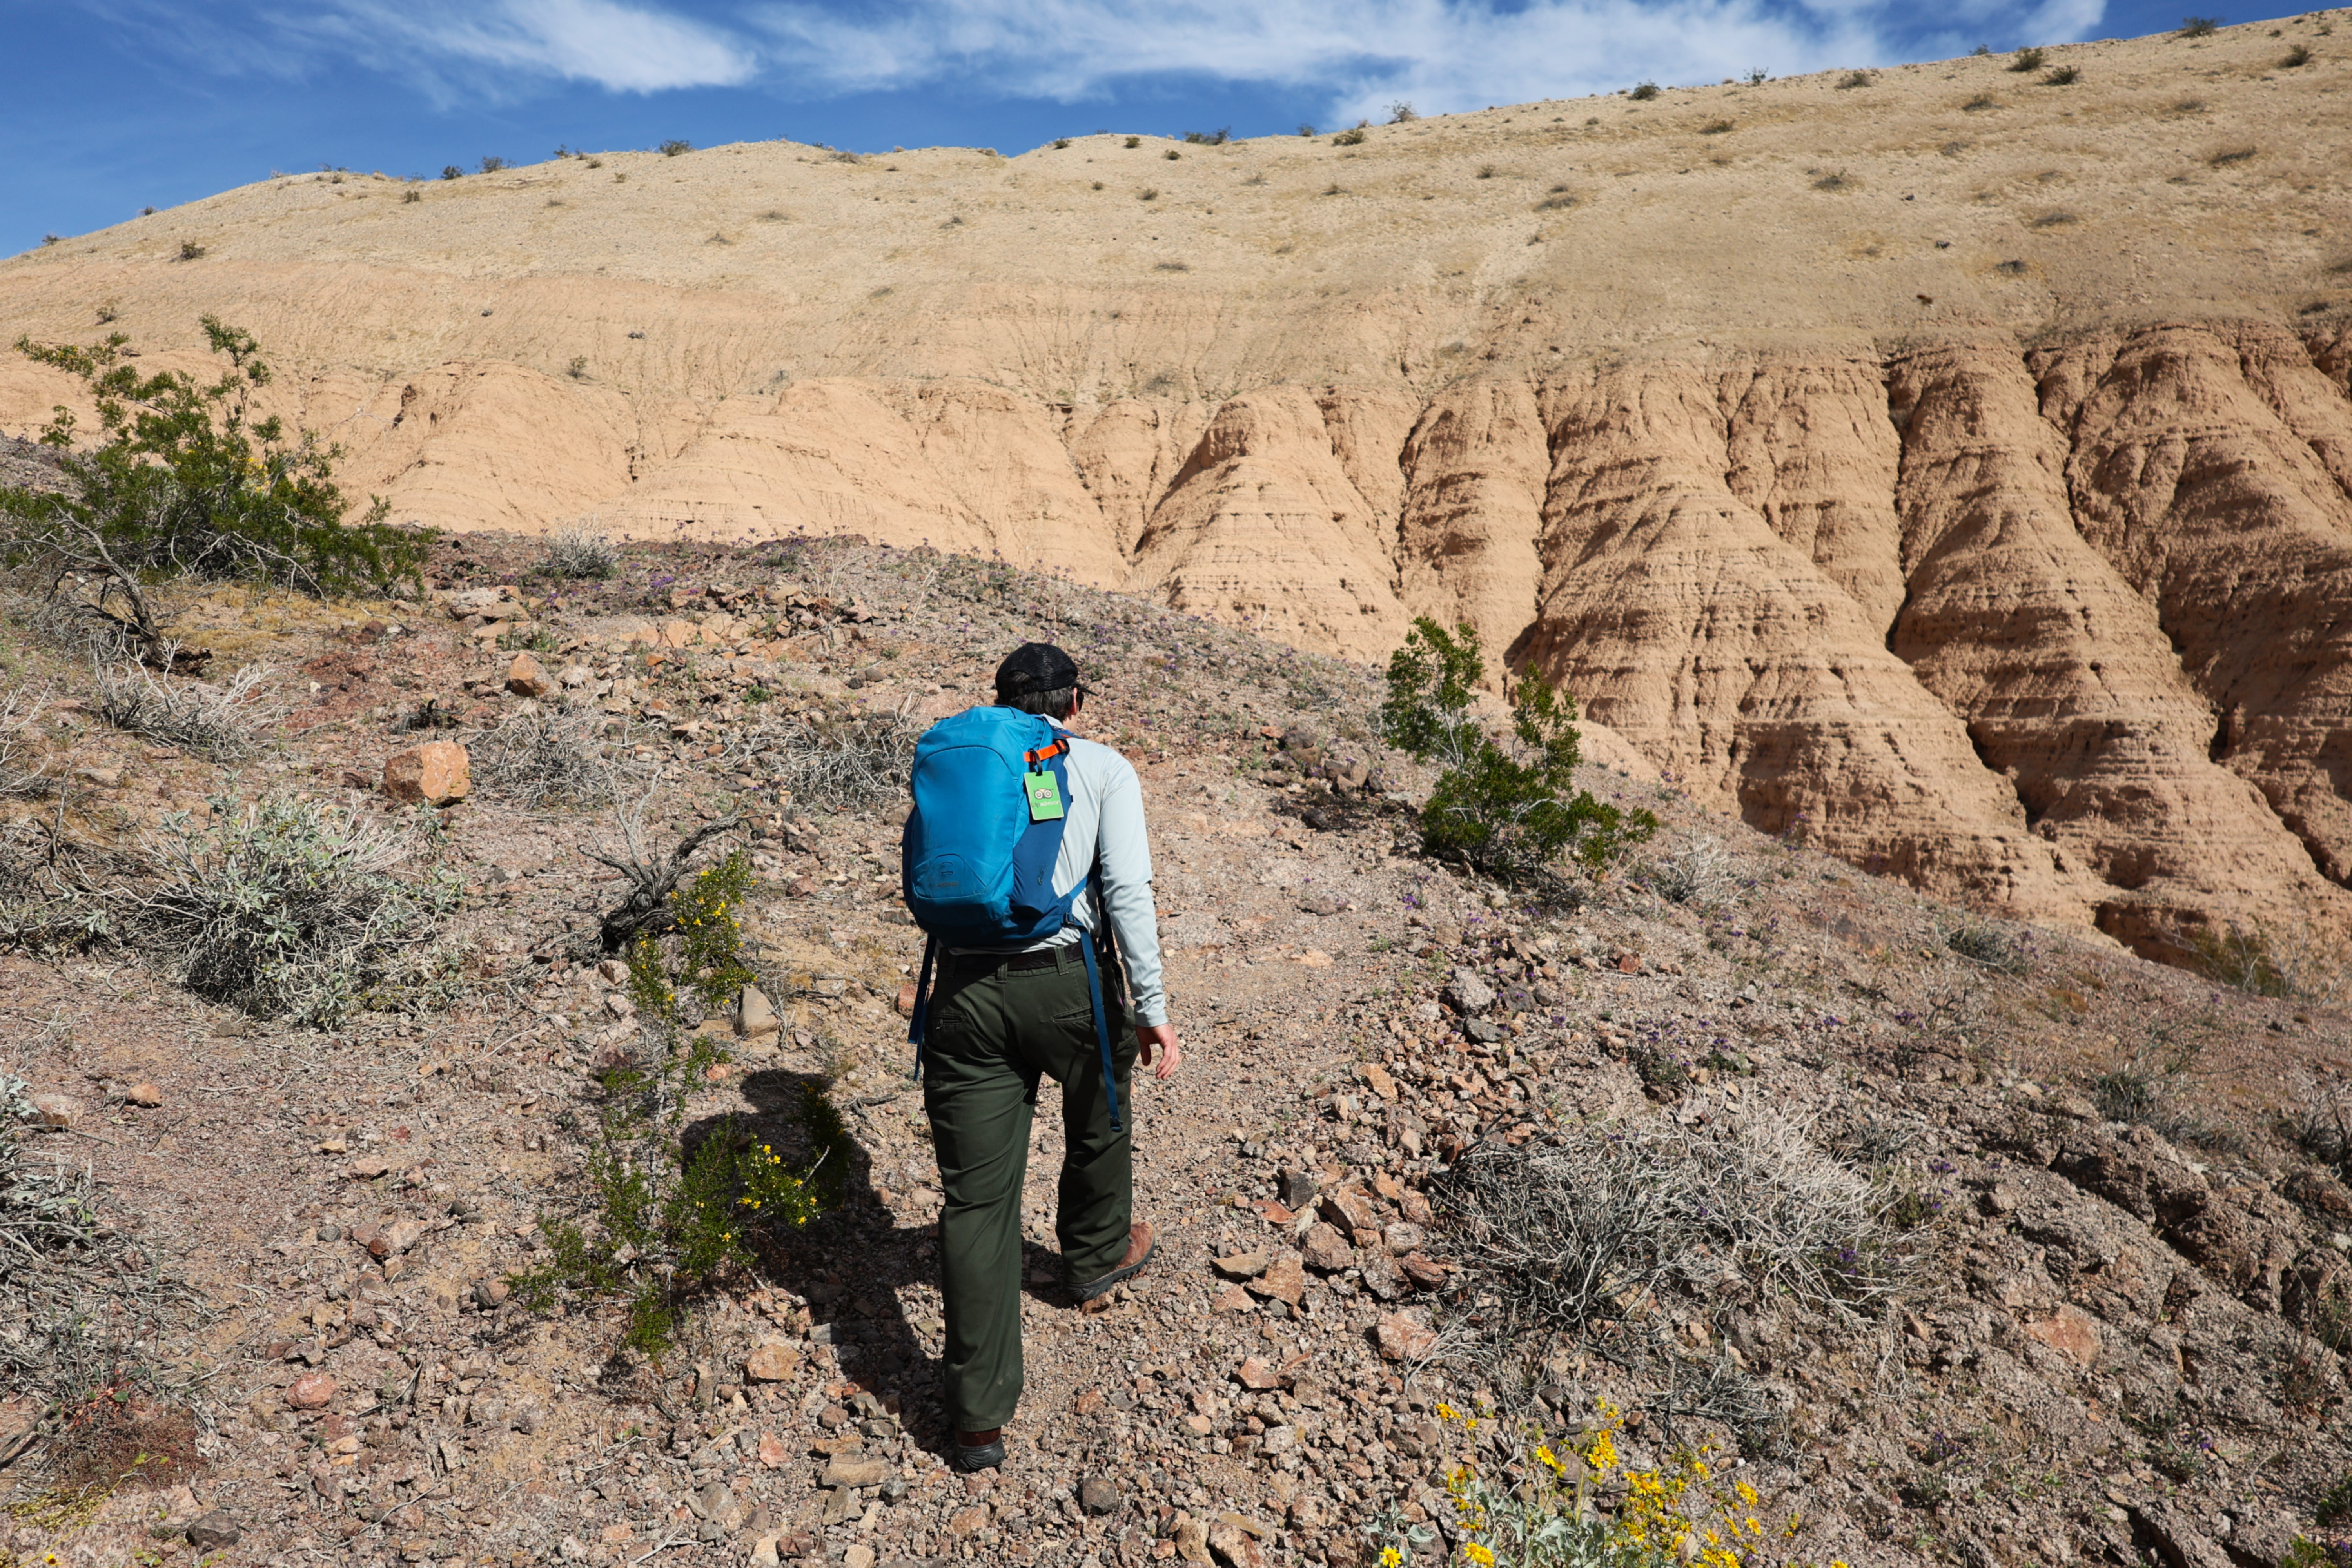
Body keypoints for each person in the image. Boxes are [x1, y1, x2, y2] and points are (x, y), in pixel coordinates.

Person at [909, 642, 1181, 1473]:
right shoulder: (1100, 766)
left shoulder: (965, 759)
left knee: (976, 1202)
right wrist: (1156, 1009)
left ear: (1000, 701)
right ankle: (1094, 1258)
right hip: (1067, 983)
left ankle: (977, 1420)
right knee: (1099, 1115)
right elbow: (1127, 890)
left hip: (960, 990)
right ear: (1077, 700)